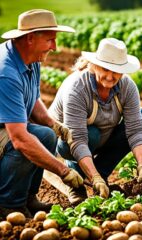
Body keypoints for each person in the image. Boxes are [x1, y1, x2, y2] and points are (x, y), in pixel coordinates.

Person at [0, 9, 84, 218]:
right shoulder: (6, 72)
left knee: (46, 134)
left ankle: (28, 197)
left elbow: (34, 99)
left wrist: (53, 124)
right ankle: (8, 205)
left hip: (7, 125)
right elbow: (19, 138)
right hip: (6, 130)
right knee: (24, 144)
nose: (55, 47)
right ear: (30, 38)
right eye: (50, 40)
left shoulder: (31, 58)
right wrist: (64, 172)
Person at [48, 38, 142, 205]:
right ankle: (77, 178)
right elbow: (78, 139)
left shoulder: (127, 87)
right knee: (92, 134)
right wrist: (93, 177)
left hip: (103, 136)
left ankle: (100, 175)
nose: (110, 77)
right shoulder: (78, 88)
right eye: (105, 69)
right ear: (92, 65)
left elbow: (135, 130)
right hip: (68, 142)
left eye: (116, 71)